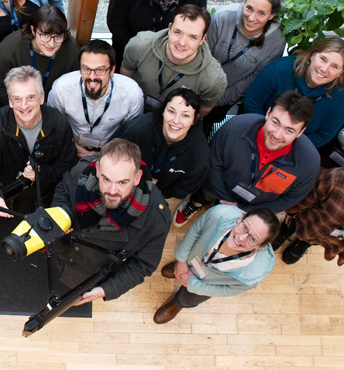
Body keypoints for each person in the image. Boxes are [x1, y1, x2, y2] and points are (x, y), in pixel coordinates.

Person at [172, 91, 320, 227]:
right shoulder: (235, 127)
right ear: (268, 113)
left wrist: (245, 211)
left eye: (289, 130)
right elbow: (213, 163)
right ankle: (196, 202)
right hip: (219, 184)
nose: (277, 135)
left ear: (301, 132)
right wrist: (226, 200)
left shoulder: (309, 163)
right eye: (275, 122)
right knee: (205, 192)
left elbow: (290, 199)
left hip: (253, 205)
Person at [51, 138, 171, 304]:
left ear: (137, 178)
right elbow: (64, 188)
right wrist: (61, 217)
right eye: (106, 179)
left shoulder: (156, 219)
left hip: (92, 272)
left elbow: (142, 265)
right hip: (61, 249)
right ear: (98, 170)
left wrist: (107, 289)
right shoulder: (81, 171)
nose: (112, 191)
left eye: (122, 182)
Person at [0, 66, 77, 216]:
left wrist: (41, 173)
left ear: (42, 98)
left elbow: (68, 165)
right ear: (10, 101)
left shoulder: (58, 122)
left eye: (31, 97)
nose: (24, 106)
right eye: (17, 99)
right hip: (8, 189)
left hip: (47, 189)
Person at [153, 206, 278, 324]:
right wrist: (181, 260)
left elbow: (225, 290)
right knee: (183, 261)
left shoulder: (251, 277)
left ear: (261, 246)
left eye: (253, 239)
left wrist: (193, 284)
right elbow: (196, 230)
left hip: (208, 284)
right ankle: (180, 268)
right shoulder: (219, 214)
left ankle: (178, 303)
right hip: (192, 258)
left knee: (189, 298)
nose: (241, 238)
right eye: (245, 227)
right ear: (241, 218)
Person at [203, 0, 286, 135]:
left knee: (209, 122)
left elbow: (253, 79)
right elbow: (202, 54)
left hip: (226, 94)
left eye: (261, 13)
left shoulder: (276, 41)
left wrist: (219, 101)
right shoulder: (223, 17)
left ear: (272, 15)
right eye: (249, 8)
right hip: (199, 84)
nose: (252, 18)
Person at [243, 36, 344, 147]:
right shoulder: (280, 69)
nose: (324, 69)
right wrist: (270, 135)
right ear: (313, 55)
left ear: (341, 72)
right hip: (258, 132)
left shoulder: (342, 97)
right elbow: (252, 103)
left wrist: (285, 144)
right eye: (323, 59)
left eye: (335, 66)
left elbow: (322, 136)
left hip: (296, 147)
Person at [120, 4, 226, 116]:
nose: (182, 43)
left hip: (175, 122)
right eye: (178, 32)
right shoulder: (139, 46)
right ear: (170, 28)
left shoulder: (213, 78)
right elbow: (125, 79)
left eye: (193, 37)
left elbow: (201, 112)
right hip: (133, 112)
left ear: (202, 40)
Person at [48, 39, 144, 158]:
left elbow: (131, 134)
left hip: (112, 153)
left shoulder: (131, 93)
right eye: (86, 69)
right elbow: (54, 127)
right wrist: (75, 148)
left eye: (100, 70)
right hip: (69, 148)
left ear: (112, 70)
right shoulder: (61, 88)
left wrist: (106, 154)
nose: (92, 77)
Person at [119, 89, 209, 201]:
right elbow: (112, 157)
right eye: (171, 111)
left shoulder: (199, 154)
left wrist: (157, 197)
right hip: (123, 184)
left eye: (185, 115)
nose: (176, 121)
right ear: (163, 111)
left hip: (162, 196)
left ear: (195, 120)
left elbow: (185, 187)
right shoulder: (138, 128)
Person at [0, 5, 80, 106]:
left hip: (55, 106)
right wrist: (23, 108)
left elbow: (78, 86)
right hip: (19, 107)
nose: (51, 44)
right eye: (45, 35)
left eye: (58, 36)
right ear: (33, 30)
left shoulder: (72, 49)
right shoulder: (9, 49)